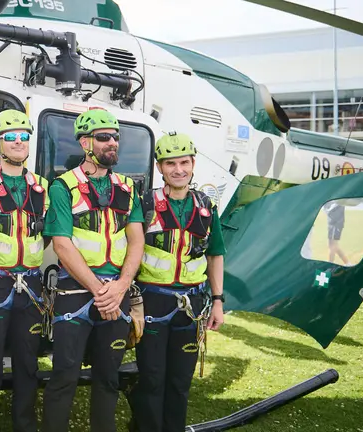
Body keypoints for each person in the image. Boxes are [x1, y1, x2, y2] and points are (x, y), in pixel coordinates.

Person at [42, 108, 146, 432]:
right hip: (77, 293)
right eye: (103, 137)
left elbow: (137, 241)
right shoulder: (63, 187)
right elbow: (61, 244)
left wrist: (121, 286)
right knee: (64, 376)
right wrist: (101, 291)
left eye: (115, 137)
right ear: (85, 142)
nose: (112, 142)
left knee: (108, 378)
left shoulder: (128, 187)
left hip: (116, 292)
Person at [127, 131, 226, 432]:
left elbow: (215, 255)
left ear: (193, 164)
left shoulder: (206, 207)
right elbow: (130, 250)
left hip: (192, 307)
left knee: (180, 383)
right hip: (152, 302)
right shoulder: (144, 204)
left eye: (184, 162)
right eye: (170, 163)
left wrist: (218, 301)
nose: (178, 170)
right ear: (159, 167)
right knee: (152, 379)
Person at [0, 109, 50, 432]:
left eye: (24, 136)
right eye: (11, 137)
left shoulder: (42, 186)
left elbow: (46, 233)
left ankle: (25, 425)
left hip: (30, 284)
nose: (19, 142)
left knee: (28, 362)